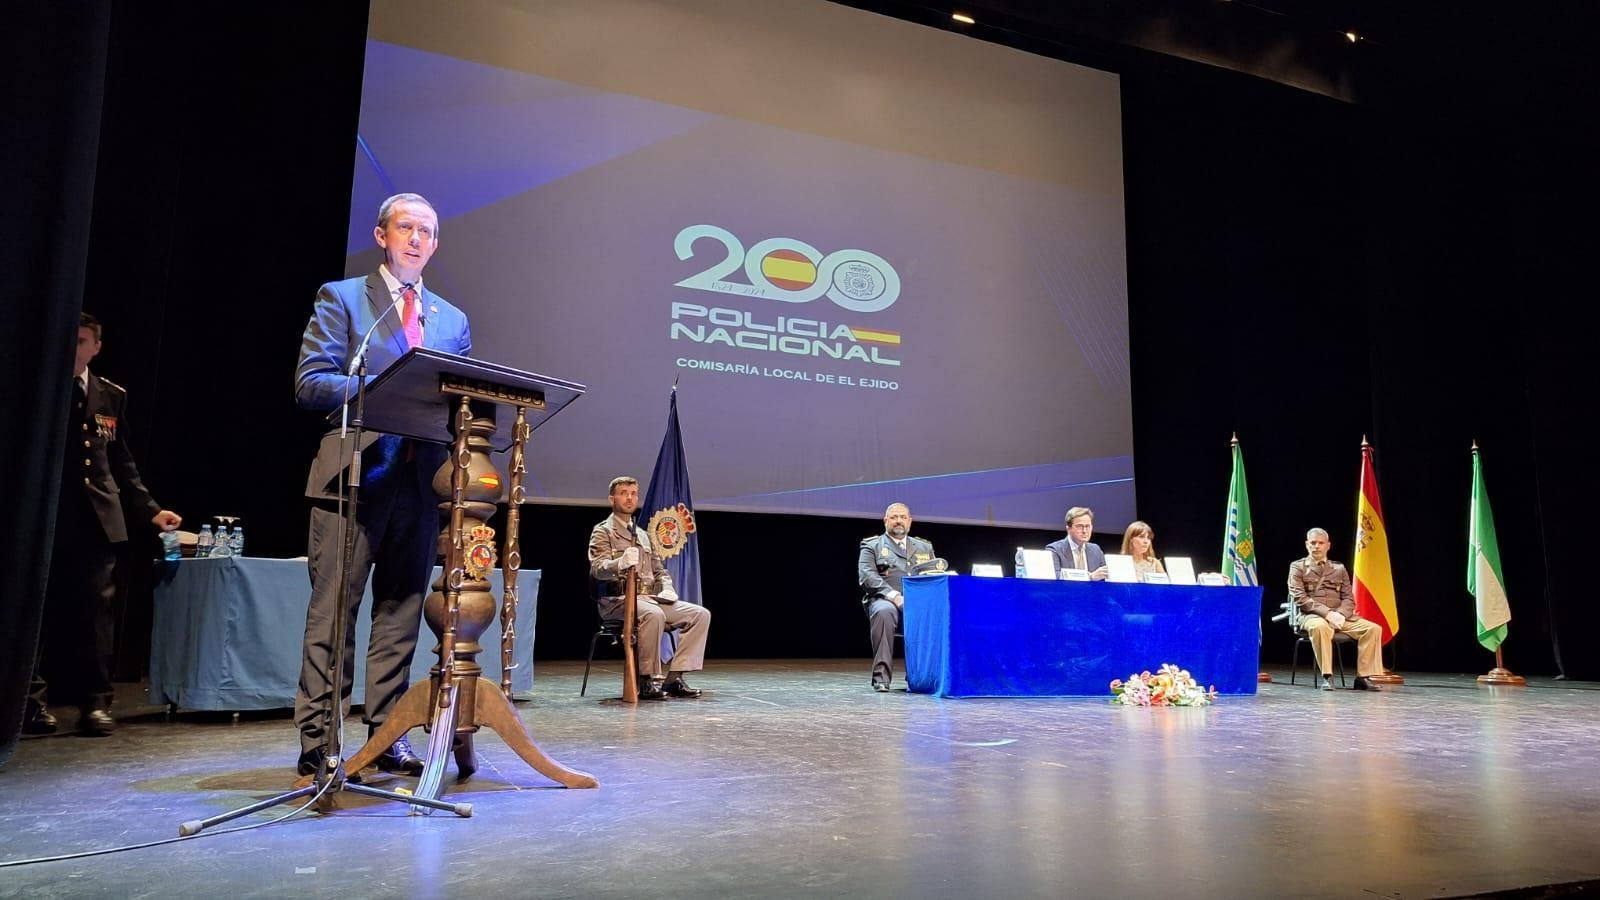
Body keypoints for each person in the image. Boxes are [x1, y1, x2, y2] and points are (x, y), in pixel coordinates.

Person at [291, 193, 473, 775]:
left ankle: (388, 734)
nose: (417, 238)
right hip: (353, 478)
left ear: (436, 244)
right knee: (333, 615)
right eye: (406, 227)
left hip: (419, 484)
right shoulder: (342, 298)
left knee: (400, 614)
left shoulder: (453, 320)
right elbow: (311, 383)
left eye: (427, 230)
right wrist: (376, 385)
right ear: (382, 235)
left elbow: (460, 402)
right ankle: (320, 740)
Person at [25, 313, 182, 736]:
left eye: (81, 341)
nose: (73, 349)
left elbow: (121, 462)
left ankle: (95, 704)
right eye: (68, 340)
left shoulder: (110, 395)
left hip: (97, 521)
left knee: (96, 615)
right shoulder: (38, 389)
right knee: (33, 614)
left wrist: (150, 509)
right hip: (46, 517)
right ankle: (29, 703)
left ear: (95, 346)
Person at [588, 476, 711, 700]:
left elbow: (659, 569)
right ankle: (647, 680)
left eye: (633, 493)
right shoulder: (603, 532)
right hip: (618, 602)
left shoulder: (642, 535)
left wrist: (666, 586)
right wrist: (620, 563)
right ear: (611, 498)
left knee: (699, 614)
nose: (629, 498)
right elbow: (598, 568)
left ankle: (674, 679)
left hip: (649, 599)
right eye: (623, 493)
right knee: (653, 615)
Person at [1288, 527, 1384, 691]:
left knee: (1373, 629)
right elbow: (1300, 598)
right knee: (1320, 626)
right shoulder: (1298, 567)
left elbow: (1349, 598)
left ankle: (1363, 677)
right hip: (1311, 616)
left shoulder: (1339, 569)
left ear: (1328, 545)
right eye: (1313, 543)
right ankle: (1327, 676)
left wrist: (1340, 615)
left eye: (1320, 543)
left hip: (1340, 617)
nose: (1316, 546)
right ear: (1307, 545)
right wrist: (1328, 614)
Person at [858, 502, 936, 692]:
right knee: (885, 611)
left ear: (910, 521)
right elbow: (867, 576)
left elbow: (933, 575)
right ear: (885, 521)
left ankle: (919, 679)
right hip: (884, 600)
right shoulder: (872, 545)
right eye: (894, 517)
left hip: (917, 603)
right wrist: (894, 596)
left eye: (902, 517)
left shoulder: (924, 547)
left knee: (933, 614)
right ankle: (881, 678)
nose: (898, 521)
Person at [1048, 506, 1108, 580]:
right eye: (1080, 526)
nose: (1084, 531)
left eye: (1087, 526)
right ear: (1068, 529)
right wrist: (1090, 577)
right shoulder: (1055, 550)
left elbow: (1106, 579)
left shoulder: (1096, 550)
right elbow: (1055, 579)